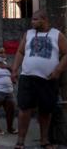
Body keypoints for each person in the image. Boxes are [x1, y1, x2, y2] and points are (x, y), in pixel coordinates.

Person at [11, 10, 67, 149]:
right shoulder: (28, 34)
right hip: (27, 77)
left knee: (45, 110)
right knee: (24, 109)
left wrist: (58, 70)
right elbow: (20, 52)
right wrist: (14, 69)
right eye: (32, 20)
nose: (32, 22)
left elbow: (66, 53)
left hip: (48, 80)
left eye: (35, 19)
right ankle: (20, 141)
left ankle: (44, 140)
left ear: (44, 19)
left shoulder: (56, 34)